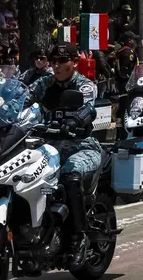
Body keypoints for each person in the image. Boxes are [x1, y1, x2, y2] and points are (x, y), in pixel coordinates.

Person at [27, 43, 100, 271]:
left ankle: (79, 239)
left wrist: (76, 120)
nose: (56, 65)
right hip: (48, 147)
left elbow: (88, 108)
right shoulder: (45, 82)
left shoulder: (84, 86)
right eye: (53, 61)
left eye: (62, 61)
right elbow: (22, 97)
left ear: (74, 62)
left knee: (70, 174)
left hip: (81, 147)